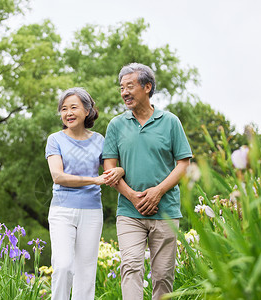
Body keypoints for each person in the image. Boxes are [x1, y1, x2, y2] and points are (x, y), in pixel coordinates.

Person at [102, 63, 192, 300]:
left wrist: (158, 192)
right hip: (129, 212)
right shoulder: (116, 125)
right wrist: (132, 195)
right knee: (131, 266)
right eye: (121, 88)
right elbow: (109, 167)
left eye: (130, 86)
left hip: (165, 211)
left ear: (147, 87)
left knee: (163, 275)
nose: (124, 93)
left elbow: (184, 163)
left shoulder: (170, 122)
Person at [45, 87, 124, 300]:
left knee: (86, 272)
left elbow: (111, 170)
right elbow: (58, 177)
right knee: (62, 266)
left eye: (73, 107)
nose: (68, 113)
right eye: (63, 109)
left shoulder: (99, 140)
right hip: (62, 210)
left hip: (91, 212)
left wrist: (120, 170)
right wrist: (94, 180)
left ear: (87, 111)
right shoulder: (55, 139)